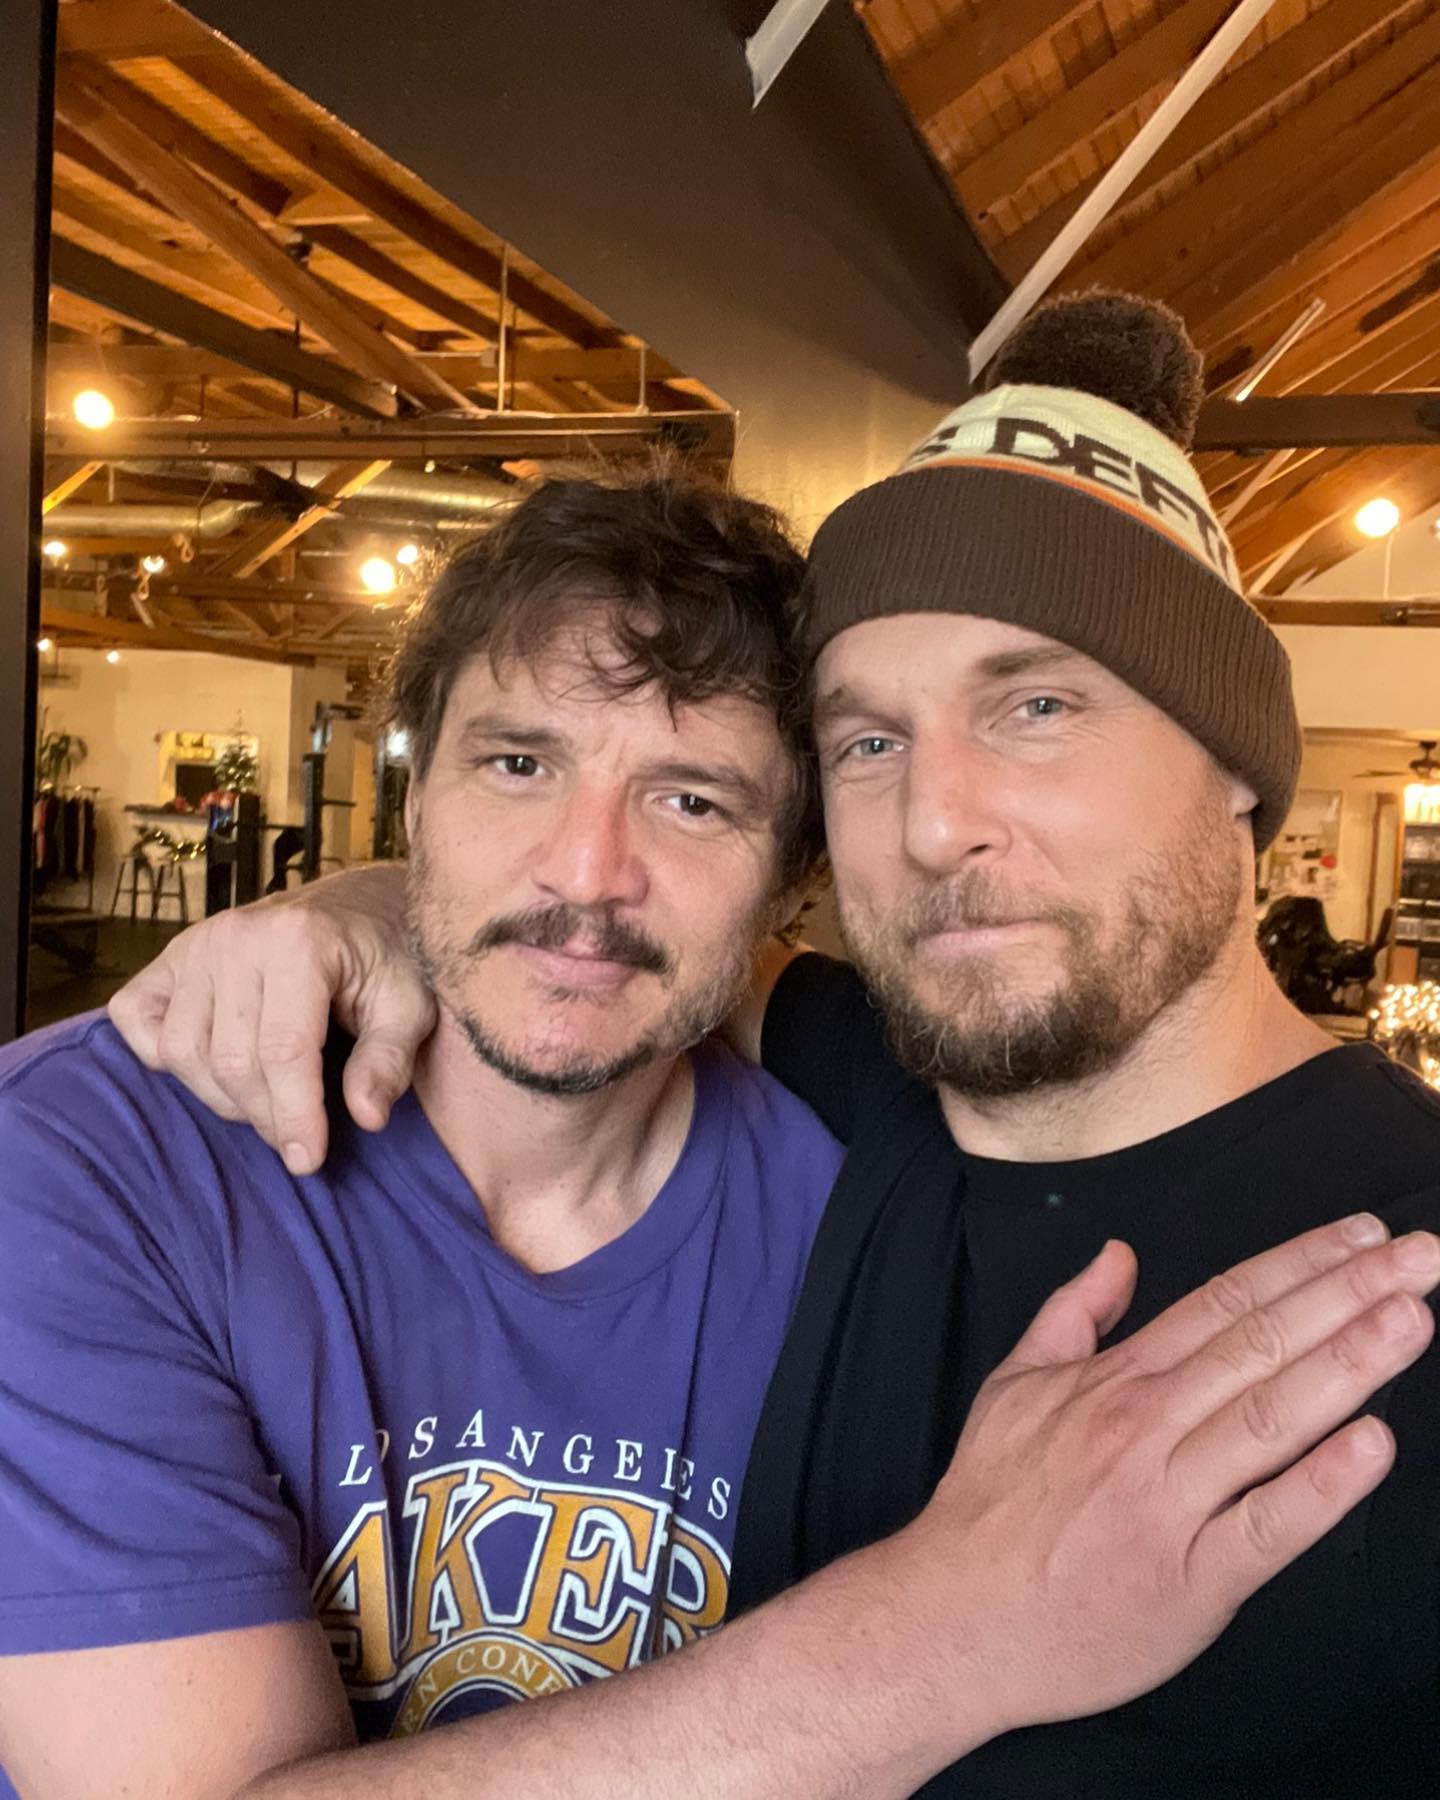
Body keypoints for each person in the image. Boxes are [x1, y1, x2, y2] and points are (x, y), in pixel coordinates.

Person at [94, 298, 1440, 1796]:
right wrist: (363, 910)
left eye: (1040, 706)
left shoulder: (1409, 1252)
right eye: (869, 741)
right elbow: (608, 923)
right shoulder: (852, 1073)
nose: (935, 822)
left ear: (1239, 775)